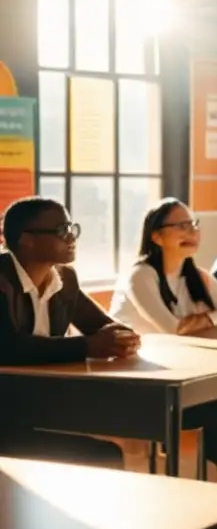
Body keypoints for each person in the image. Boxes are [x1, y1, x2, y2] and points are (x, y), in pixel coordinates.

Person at [109, 198, 217, 482]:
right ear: (156, 236)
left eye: (193, 224)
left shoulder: (194, 276)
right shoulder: (141, 276)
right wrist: (196, 321)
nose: (191, 232)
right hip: (136, 379)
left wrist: (205, 320)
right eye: (181, 225)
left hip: (178, 370)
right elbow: (171, 329)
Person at [0, 197, 137, 467]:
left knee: (114, 437)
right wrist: (87, 346)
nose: (72, 237)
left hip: (38, 405)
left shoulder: (64, 278)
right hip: (8, 413)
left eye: (72, 228)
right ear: (26, 240)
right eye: (62, 230)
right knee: (104, 455)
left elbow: (100, 326)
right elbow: (7, 347)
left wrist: (122, 337)